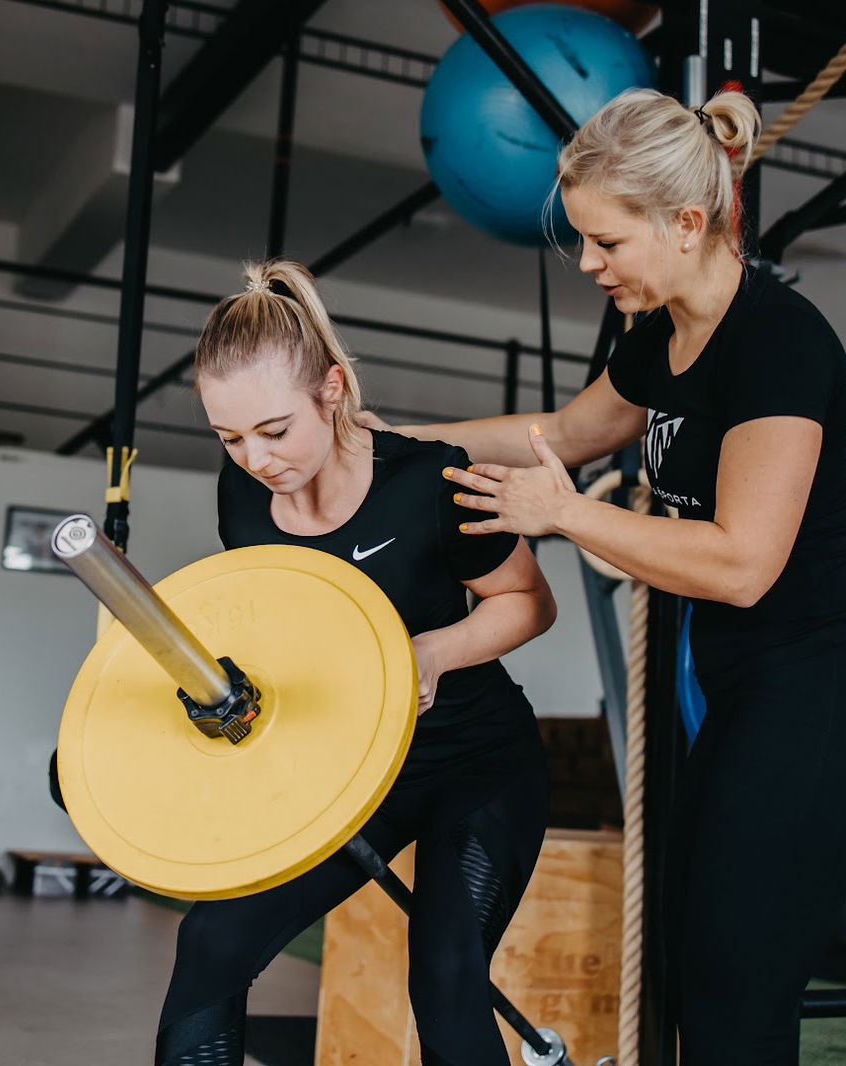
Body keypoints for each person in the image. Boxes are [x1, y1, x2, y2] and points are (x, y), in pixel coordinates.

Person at [364, 88, 846, 1066]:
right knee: (692, 974)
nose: (587, 264)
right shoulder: (659, 337)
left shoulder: (779, 341)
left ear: (687, 223)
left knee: (737, 992)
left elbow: (743, 565)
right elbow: (565, 435)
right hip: (739, 694)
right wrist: (393, 442)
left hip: (819, 692)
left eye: (606, 242)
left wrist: (566, 511)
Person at [154, 259, 559, 1066]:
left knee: (445, 979)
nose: (256, 459)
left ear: (332, 390)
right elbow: (278, 624)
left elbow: (529, 603)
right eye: (229, 438)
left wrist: (433, 651)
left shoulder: (429, 482)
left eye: (274, 430)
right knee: (212, 943)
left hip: (474, 765)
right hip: (351, 778)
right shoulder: (242, 498)